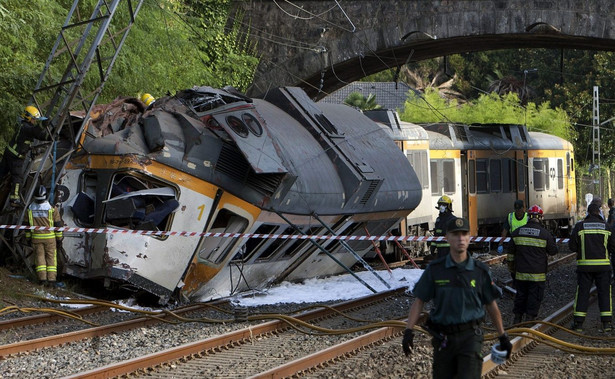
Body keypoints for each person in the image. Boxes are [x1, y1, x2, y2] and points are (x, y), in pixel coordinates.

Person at [402, 217, 512, 378]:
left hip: (470, 339)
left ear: (469, 237)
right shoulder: (435, 270)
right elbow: (419, 301)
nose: (460, 238)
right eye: (455, 234)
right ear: (447, 237)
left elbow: (491, 305)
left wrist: (503, 336)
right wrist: (408, 332)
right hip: (443, 339)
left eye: (464, 234)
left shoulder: (479, 271)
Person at [507, 205, 558, 324]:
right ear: (541, 218)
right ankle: (529, 319)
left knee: (520, 295)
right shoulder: (545, 234)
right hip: (537, 274)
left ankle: (517, 318)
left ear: (528, 217)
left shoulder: (517, 233)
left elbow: (510, 255)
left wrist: (512, 270)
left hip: (520, 274)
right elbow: (553, 251)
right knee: (534, 297)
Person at [569, 202, 614, 332]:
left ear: (588, 213)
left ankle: (578, 324)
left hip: (585, 267)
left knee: (582, 294)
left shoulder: (579, 226)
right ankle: (607, 324)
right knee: (604, 294)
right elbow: (613, 246)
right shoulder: (606, 227)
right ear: (599, 212)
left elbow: (572, 246)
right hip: (603, 267)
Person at [0, 105, 50, 207]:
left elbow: (38, 135)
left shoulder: (23, 125)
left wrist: (49, 136)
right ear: (28, 117)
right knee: (18, 177)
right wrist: (42, 125)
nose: (34, 121)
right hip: (16, 157)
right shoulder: (25, 127)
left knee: (1, 173)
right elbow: (34, 131)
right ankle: (15, 199)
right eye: (33, 119)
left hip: (10, 153)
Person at [25, 185, 64, 287]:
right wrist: (59, 239)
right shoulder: (52, 208)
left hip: (36, 238)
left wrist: (28, 238)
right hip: (50, 238)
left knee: (39, 258)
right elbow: (58, 225)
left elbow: (27, 225)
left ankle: (42, 279)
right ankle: (51, 280)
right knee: (51, 258)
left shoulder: (30, 208)